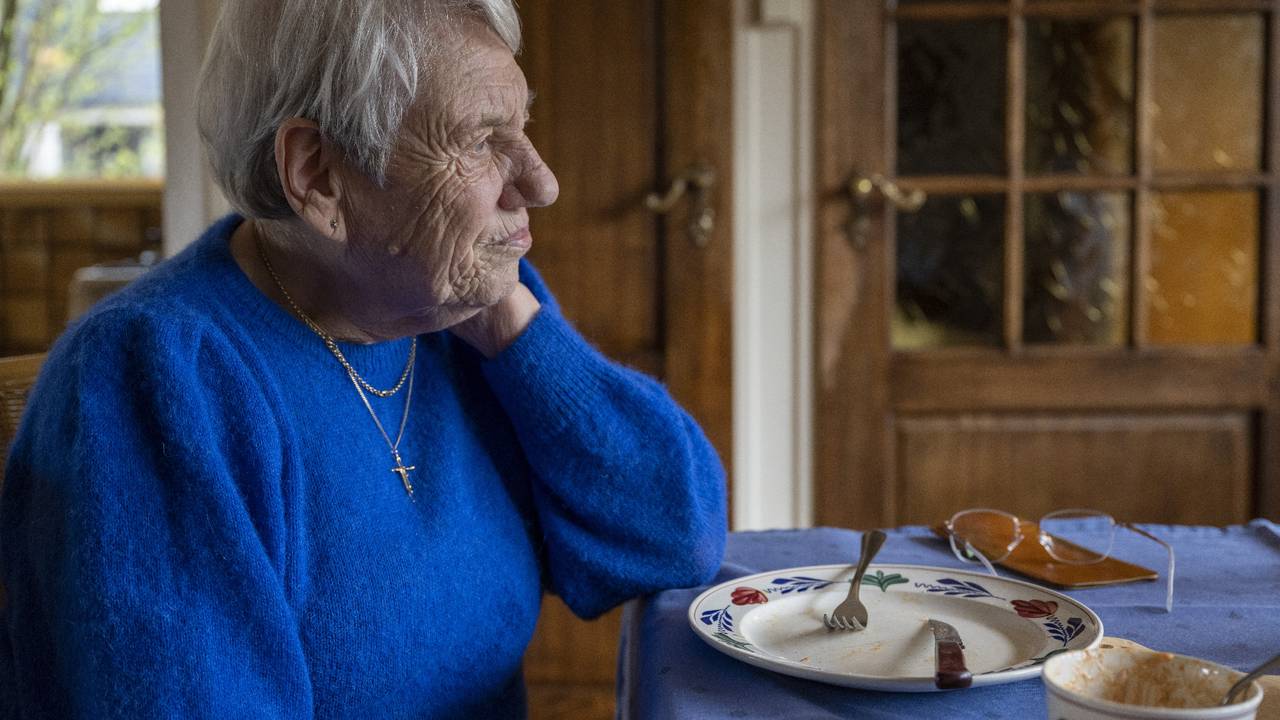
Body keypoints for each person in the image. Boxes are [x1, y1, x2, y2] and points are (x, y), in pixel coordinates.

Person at [0, 1, 727, 717]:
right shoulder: (156, 381)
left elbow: (672, 538)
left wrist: (519, 334)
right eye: (481, 140)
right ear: (316, 173)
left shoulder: (446, 309)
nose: (541, 182)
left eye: (522, 128)